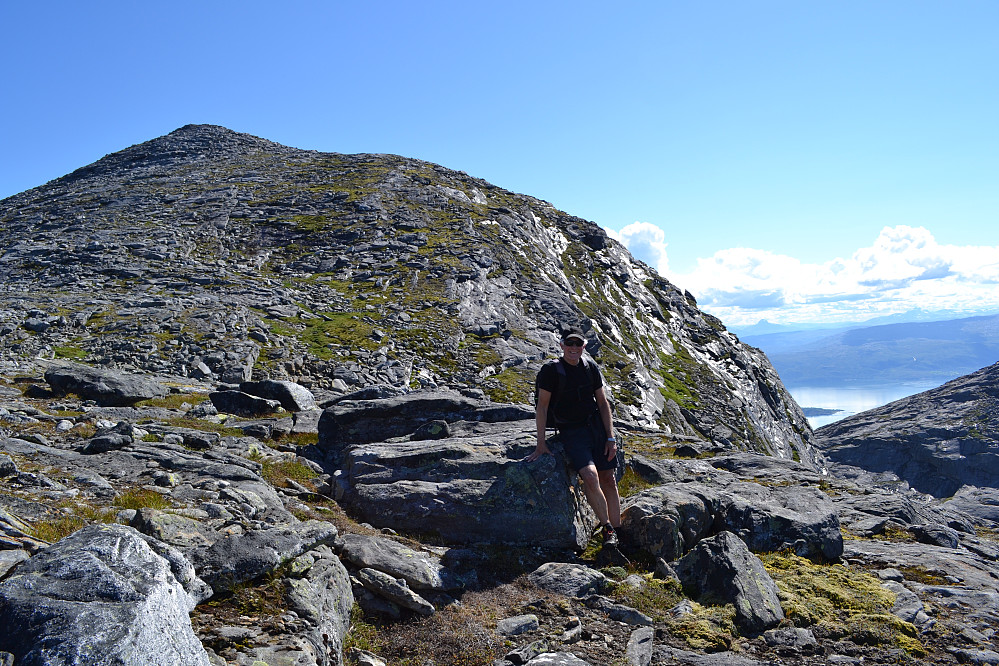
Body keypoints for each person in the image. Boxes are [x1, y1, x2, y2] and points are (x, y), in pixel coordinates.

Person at [528, 326, 621, 546]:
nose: (573, 348)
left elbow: (602, 402)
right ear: (561, 345)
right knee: (590, 476)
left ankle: (620, 533)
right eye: (569, 344)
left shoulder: (590, 367)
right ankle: (608, 529)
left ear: (583, 346)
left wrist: (610, 437)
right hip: (571, 431)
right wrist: (540, 444)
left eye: (578, 344)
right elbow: (542, 407)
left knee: (608, 478)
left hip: (596, 428)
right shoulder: (551, 371)